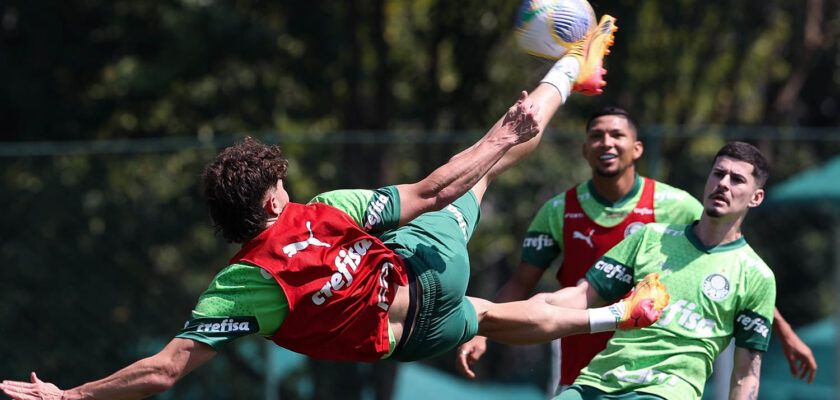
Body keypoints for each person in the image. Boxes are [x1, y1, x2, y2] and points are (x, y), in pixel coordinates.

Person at [0, 15, 667, 400]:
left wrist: (72, 397)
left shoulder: (244, 286)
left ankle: (619, 313)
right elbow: (434, 191)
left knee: (494, 315)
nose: (286, 188)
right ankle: (565, 73)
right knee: (481, 168)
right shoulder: (323, 210)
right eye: (277, 185)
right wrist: (501, 137)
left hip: (410, 340)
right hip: (431, 273)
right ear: (268, 202)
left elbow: (165, 370)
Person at [456, 109, 817, 388]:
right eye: (596, 136)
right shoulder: (558, 210)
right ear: (584, 149)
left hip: (650, 369)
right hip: (583, 362)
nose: (606, 143)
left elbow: (733, 266)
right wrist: (486, 326)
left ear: (637, 148)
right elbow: (524, 283)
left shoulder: (678, 206)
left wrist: (782, 333)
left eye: (617, 135)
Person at [544, 141, 777, 399]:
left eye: (736, 179)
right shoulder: (651, 237)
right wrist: (506, 314)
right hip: (596, 383)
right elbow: (580, 297)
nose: (723, 183)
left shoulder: (756, 274)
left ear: (756, 198)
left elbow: (746, 375)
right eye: (718, 173)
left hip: (663, 393)